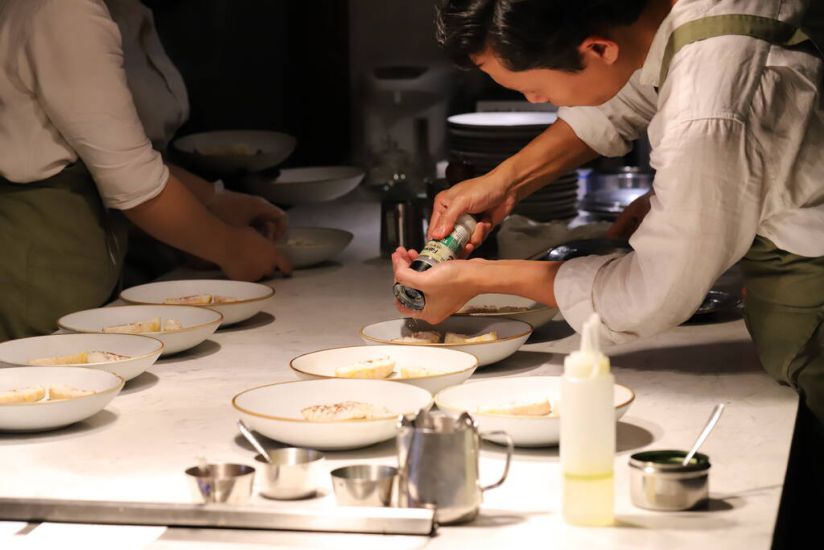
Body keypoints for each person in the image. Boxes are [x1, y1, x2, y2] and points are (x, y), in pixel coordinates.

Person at [392, 1, 823, 544]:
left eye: (533, 90)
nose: (533, 102)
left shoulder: (704, 119)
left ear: (596, 48)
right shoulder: (670, 16)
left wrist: (478, 279)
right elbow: (623, 99)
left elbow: (649, 295)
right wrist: (507, 181)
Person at [0, 0, 292, 342]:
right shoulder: (64, 9)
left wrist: (214, 202)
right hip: (36, 277)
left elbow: (111, 152)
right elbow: (130, 178)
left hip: (69, 268)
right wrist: (229, 247)